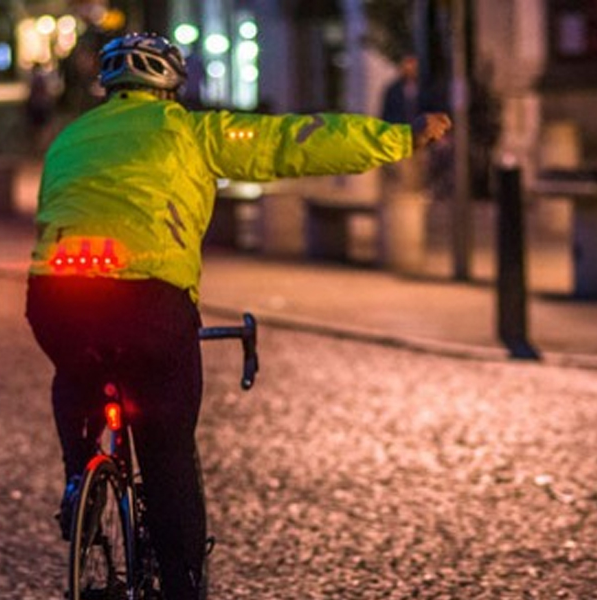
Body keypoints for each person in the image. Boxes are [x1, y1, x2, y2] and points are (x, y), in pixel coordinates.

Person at [25, 32, 451, 600]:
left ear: (109, 88)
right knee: (166, 440)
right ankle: (181, 582)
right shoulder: (191, 131)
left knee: (75, 371)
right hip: (149, 303)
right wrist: (400, 137)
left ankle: (80, 474)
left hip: (56, 295)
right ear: (171, 88)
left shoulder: (68, 139)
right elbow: (293, 142)